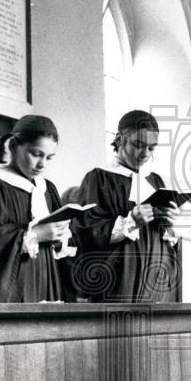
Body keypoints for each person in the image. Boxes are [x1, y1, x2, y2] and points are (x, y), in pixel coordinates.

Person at [71, 110, 180, 303]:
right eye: (138, 145)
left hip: (156, 280)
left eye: (151, 148)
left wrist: (171, 227)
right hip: (119, 278)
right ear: (120, 139)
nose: (145, 154)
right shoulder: (99, 178)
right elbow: (85, 231)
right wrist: (129, 223)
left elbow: (166, 239)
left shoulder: (155, 181)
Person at [0, 114, 69, 303]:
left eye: (49, 157)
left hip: (46, 275)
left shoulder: (48, 189)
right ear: (14, 146)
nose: (42, 164)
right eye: (36, 154)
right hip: (14, 284)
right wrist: (34, 234)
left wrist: (60, 236)